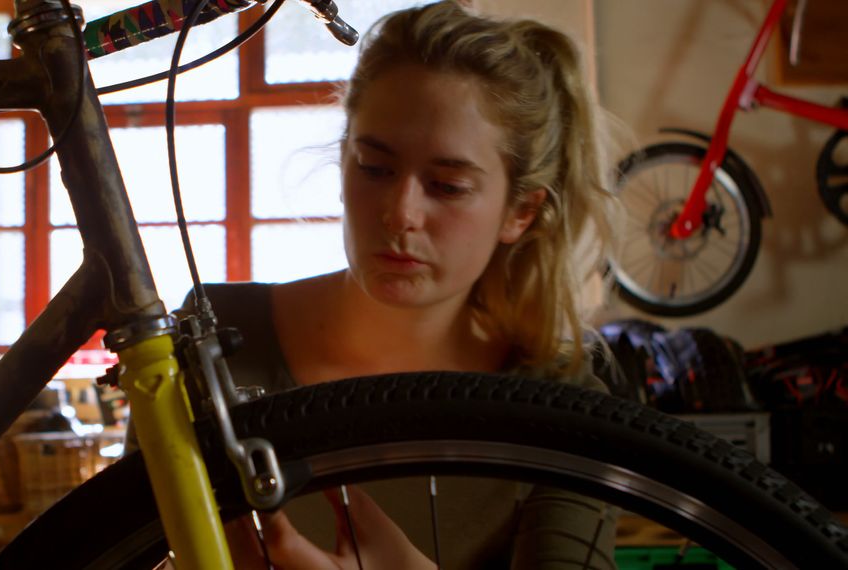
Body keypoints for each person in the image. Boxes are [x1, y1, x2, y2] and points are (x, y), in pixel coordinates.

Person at [186, 1, 619, 567]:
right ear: (343, 162)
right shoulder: (216, 338)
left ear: (520, 212)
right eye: (374, 167)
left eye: (447, 185)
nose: (400, 213)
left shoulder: (564, 409)